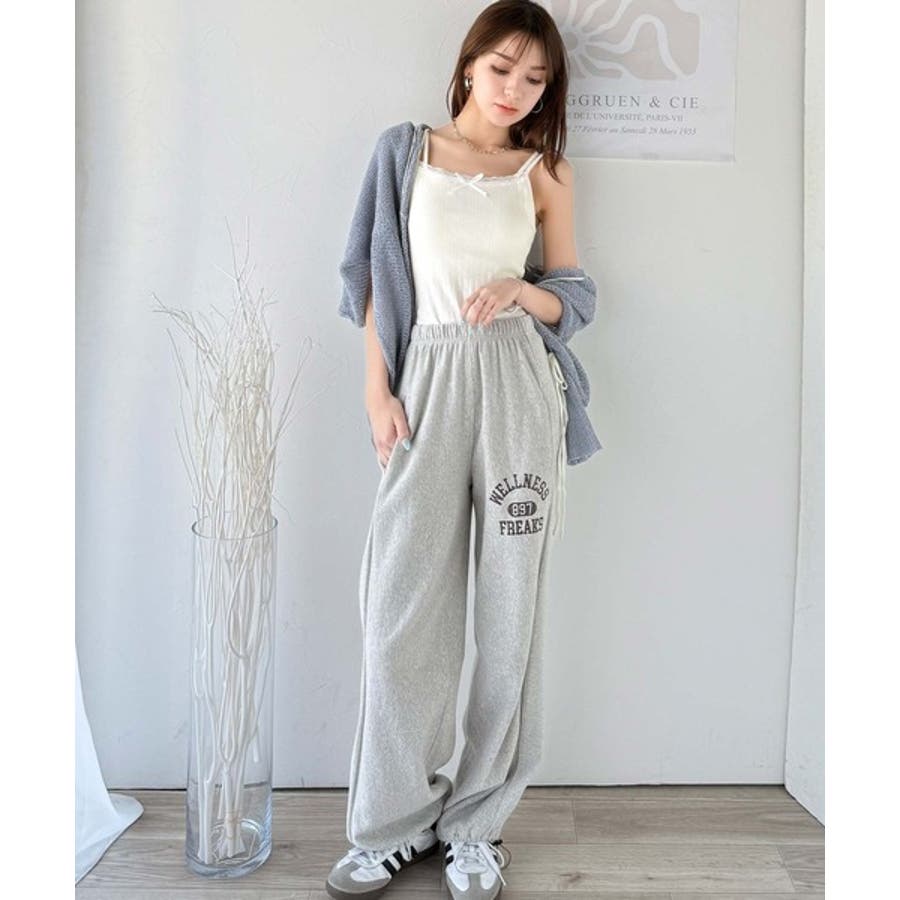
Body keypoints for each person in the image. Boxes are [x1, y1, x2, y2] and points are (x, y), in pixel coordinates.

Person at [327, 3, 600, 898]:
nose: (516, 90)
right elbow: (372, 277)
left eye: (536, 79)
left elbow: (576, 298)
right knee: (401, 611)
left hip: (518, 383)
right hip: (428, 379)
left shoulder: (545, 170)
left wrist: (522, 290)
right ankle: (392, 823)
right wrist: (377, 393)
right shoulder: (405, 153)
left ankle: (477, 826)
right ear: (469, 63)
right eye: (503, 69)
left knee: (511, 614)